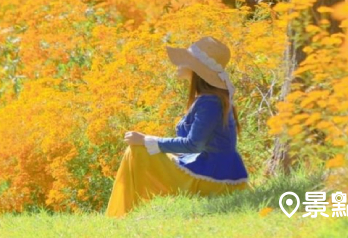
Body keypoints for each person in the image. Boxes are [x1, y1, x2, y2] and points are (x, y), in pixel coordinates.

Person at [105, 36, 250, 218]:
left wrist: (146, 140)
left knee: (137, 151)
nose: (180, 63)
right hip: (211, 171)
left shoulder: (211, 101)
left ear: (198, 69)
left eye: (186, 60)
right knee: (139, 149)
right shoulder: (208, 98)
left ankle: (122, 214)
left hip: (215, 179)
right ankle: (125, 212)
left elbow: (193, 144)